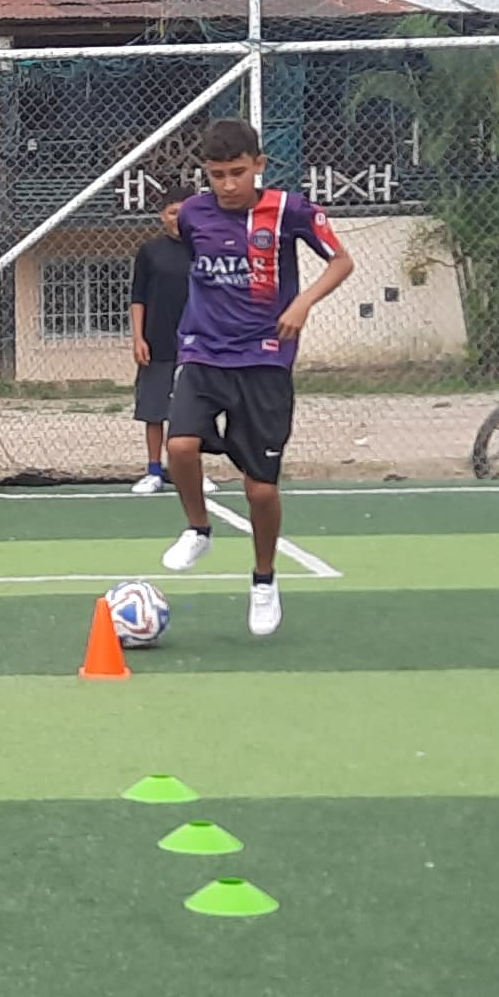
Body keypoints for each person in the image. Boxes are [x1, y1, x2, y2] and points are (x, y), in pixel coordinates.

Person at [157, 118, 354, 638]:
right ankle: (198, 528)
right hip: (203, 351)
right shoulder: (193, 214)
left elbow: (341, 262)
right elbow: (197, 256)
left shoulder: (291, 210)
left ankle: (264, 580)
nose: (228, 185)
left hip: (265, 360)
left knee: (260, 491)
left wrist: (303, 303)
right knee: (179, 446)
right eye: (217, 174)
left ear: (259, 165)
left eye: (238, 172)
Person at [127, 198, 192, 494]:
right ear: (162, 216)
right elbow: (137, 298)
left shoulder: (205, 250)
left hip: (196, 345)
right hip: (158, 342)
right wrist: (139, 338)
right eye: (173, 212)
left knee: (192, 413)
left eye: (185, 212)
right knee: (154, 409)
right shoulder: (150, 251)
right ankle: (154, 470)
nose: (179, 218)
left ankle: (191, 471)